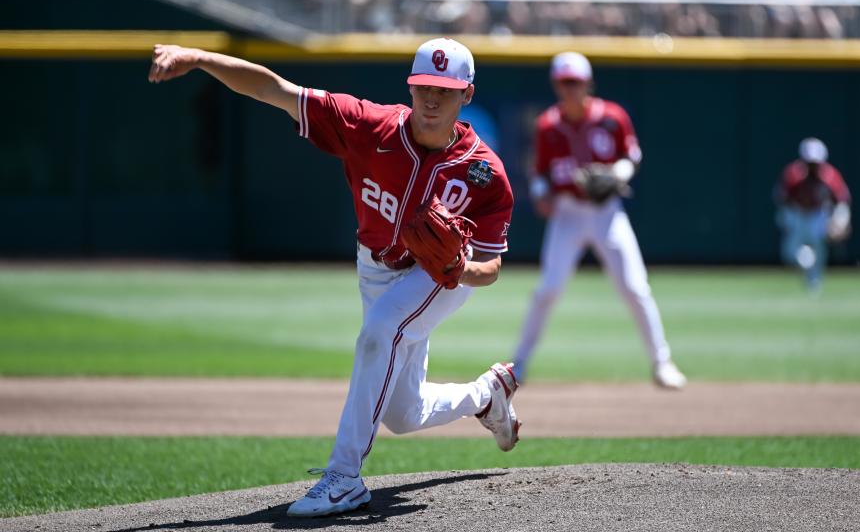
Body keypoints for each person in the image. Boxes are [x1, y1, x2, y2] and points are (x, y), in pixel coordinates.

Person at [148, 38, 519, 517]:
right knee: (402, 414)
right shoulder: (368, 125)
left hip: (438, 278)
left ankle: (344, 477)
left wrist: (458, 269)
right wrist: (198, 58)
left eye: (444, 91)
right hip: (375, 266)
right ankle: (487, 394)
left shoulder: (485, 174)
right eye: (424, 86)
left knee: (378, 332)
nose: (431, 99)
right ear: (410, 86)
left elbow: (490, 268)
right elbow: (273, 90)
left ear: (466, 94)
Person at [513, 51, 687, 390]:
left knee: (636, 287)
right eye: (564, 83)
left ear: (588, 83)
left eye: (575, 82)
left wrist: (615, 173)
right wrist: (540, 193)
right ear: (556, 85)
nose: (570, 89)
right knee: (548, 290)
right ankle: (519, 363)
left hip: (607, 213)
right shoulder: (548, 124)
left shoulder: (612, 116)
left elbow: (631, 156)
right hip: (567, 213)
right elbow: (539, 173)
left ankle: (661, 362)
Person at [775, 137, 852, 291]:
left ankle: (814, 284)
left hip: (819, 214)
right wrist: (786, 220)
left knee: (819, 249)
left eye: (815, 163)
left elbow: (842, 200)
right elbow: (782, 200)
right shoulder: (793, 175)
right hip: (797, 213)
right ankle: (807, 265)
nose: (812, 167)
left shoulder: (830, 176)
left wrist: (840, 221)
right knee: (789, 253)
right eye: (809, 163)